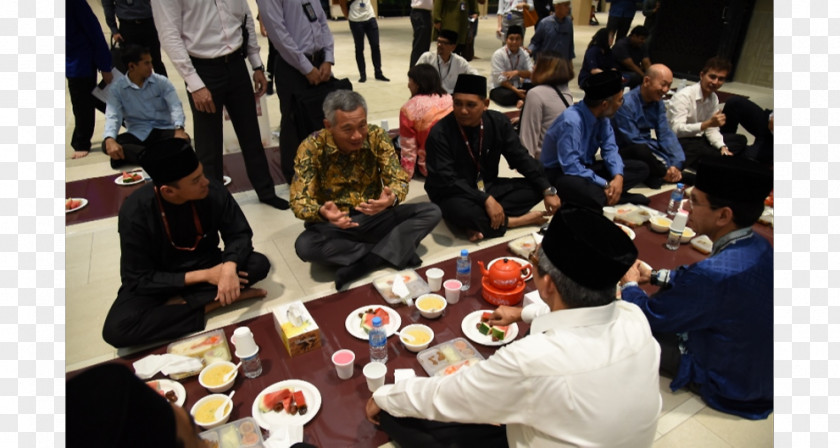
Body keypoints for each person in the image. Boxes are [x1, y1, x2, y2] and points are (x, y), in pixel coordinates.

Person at [365, 207, 662, 447]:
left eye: (533, 260)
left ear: (546, 283)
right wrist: (523, 313)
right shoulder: (633, 316)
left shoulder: (532, 359)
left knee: (410, 420)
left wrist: (384, 396)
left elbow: (446, 395)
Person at [620, 156, 773, 420]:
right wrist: (656, 276)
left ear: (724, 215)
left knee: (623, 323)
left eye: (697, 202)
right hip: (758, 369)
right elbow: (704, 286)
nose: (688, 207)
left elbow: (650, 315)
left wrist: (630, 284)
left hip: (726, 379)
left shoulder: (713, 274)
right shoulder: (759, 244)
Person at [102, 139, 270, 348]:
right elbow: (136, 278)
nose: (205, 182)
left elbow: (240, 234)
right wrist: (207, 276)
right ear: (168, 191)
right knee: (117, 330)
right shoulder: (135, 212)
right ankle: (211, 304)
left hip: (207, 262)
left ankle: (180, 307)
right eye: (195, 180)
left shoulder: (211, 190)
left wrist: (228, 267)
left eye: (202, 174)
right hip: (163, 278)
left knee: (258, 264)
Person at [290, 91, 442, 290]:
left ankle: (366, 261)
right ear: (329, 126)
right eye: (347, 129)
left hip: (375, 216)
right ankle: (391, 250)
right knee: (306, 246)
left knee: (431, 211)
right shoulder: (311, 147)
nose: (357, 135)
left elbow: (398, 178)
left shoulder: (376, 136)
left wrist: (391, 198)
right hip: (337, 225)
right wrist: (322, 212)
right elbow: (298, 200)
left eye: (361, 125)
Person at [152, 0, 288, 210]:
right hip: (203, 68)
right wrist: (194, 83)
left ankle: (266, 191)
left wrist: (256, 63)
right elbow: (169, 34)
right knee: (209, 147)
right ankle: (213, 203)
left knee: (251, 134)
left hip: (236, 63)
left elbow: (245, 18)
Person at [424, 74, 561, 242]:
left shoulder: (498, 123)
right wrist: (486, 200)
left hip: (487, 185)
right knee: (458, 210)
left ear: (485, 104)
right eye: (458, 103)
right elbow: (447, 179)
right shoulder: (440, 132)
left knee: (537, 186)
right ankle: (512, 221)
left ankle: (480, 222)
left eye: (470, 105)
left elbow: (520, 157)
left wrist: (547, 190)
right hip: (453, 192)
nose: (463, 110)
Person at [541, 71, 650, 211]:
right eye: (619, 100)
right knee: (574, 187)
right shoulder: (572, 121)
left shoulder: (603, 117)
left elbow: (610, 149)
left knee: (640, 168)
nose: (621, 104)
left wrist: (618, 177)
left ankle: (607, 195)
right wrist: (605, 184)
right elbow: (570, 166)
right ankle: (619, 197)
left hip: (585, 168)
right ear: (604, 104)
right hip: (561, 173)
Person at [256, 0, 336, 188]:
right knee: (294, 120)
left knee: (321, 117)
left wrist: (328, 58)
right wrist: (306, 67)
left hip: (319, 62)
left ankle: (323, 168)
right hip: (292, 66)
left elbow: (322, 22)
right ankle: (296, 176)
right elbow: (278, 33)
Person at [102, 45, 188, 169]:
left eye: (151, 62)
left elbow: (175, 106)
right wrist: (110, 139)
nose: (151, 67)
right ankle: (157, 157)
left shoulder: (161, 82)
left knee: (184, 141)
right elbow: (112, 116)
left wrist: (179, 129)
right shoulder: (117, 89)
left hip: (162, 131)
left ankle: (141, 157)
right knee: (107, 144)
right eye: (146, 63)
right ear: (132, 66)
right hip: (137, 133)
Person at [612, 64, 686, 189]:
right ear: (646, 81)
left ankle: (665, 173)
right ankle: (663, 173)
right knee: (641, 151)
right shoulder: (626, 104)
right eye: (663, 84)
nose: (666, 90)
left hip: (646, 146)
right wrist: (663, 165)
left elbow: (665, 133)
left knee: (678, 153)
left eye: (669, 85)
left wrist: (676, 163)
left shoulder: (658, 102)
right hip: (626, 149)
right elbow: (633, 140)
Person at [666, 57, 749, 168]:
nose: (715, 82)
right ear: (702, 75)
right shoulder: (684, 96)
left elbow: (712, 129)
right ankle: (714, 161)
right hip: (680, 140)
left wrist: (722, 147)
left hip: (699, 139)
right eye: (712, 77)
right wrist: (707, 124)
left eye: (720, 79)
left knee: (740, 140)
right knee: (699, 149)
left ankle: (712, 160)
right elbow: (676, 130)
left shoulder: (713, 98)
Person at [67, 0, 113, 160]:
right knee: (90, 98)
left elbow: (94, 32)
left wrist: (105, 66)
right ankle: (135, 120)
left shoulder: (73, 3)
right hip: (71, 57)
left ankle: (81, 142)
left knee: (83, 100)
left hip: (80, 60)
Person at [399, 64, 453, 178]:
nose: (408, 85)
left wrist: (405, 176)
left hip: (431, 167)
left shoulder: (408, 109)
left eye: (410, 80)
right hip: (456, 164)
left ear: (418, 84)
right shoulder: (449, 98)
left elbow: (408, 149)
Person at [519, 51, 574, 159]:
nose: (533, 67)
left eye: (537, 64)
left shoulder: (535, 93)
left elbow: (528, 137)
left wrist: (527, 166)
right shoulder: (567, 93)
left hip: (543, 164)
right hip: (564, 159)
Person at [101, 0, 168, 77]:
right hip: (127, 26)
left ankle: (164, 88)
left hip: (148, 23)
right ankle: (135, 88)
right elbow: (107, 5)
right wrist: (114, 30)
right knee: (131, 63)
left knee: (156, 61)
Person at [340, 0, 390, 83]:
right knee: (359, 48)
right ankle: (362, 75)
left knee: (375, 45)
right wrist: (348, 17)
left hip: (370, 17)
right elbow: (342, 3)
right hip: (355, 20)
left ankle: (378, 73)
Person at [415, 30, 479, 94]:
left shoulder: (459, 62)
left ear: (453, 47)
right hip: (430, 96)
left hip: (451, 98)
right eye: (438, 42)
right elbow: (414, 75)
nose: (439, 45)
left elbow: (476, 76)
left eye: (444, 43)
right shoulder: (427, 58)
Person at [489, 25, 533, 107]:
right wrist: (516, 91)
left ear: (522, 40)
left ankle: (521, 99)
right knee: (506, 97)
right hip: (500, 87)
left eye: (517, 39)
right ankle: (523, 99)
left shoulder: (524, 53)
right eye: (511, 39)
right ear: (506, 40)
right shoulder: (498, 54)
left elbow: (531, 73)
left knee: (538, 87)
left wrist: (517, 72)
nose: (514, 42)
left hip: (517, 85)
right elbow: (500, 80)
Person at [410, 0, 435, 67]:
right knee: (419, 45)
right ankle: (414, 72)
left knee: (425, 46)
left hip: (427, 13)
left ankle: (421, 71)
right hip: (419, 12)